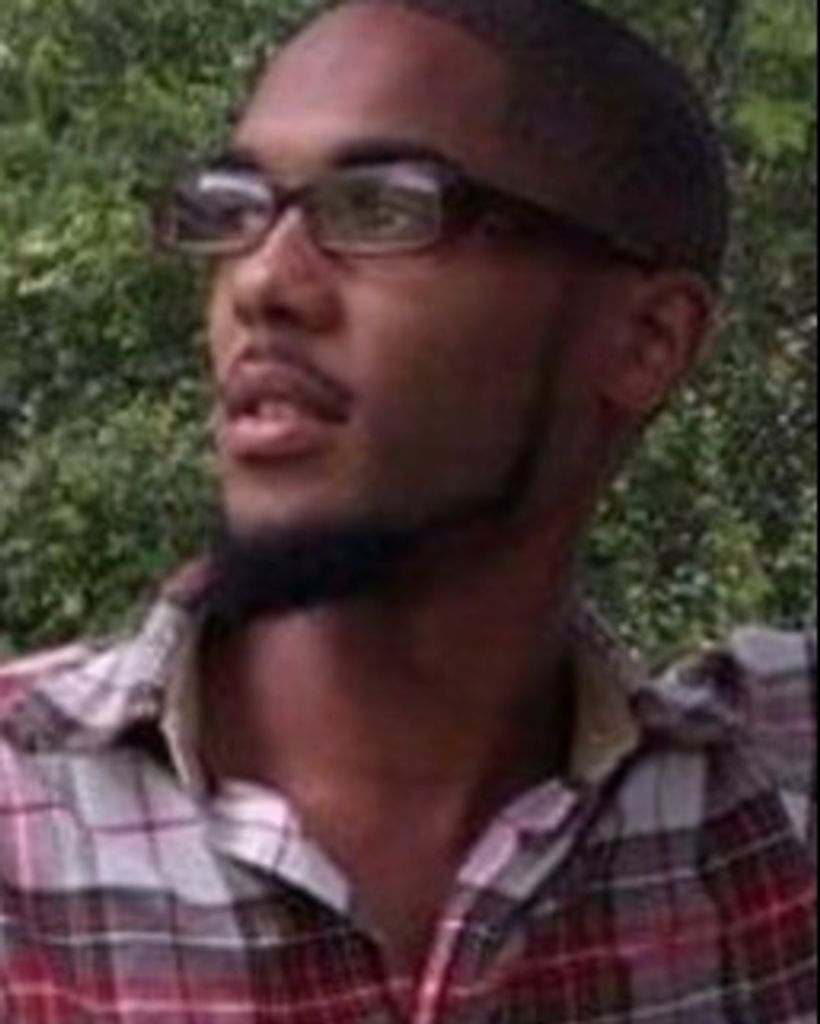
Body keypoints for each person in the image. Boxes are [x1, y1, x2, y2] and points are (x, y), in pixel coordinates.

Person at [0, 0, 815, 1020]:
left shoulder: (767, 808)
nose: (262, 282)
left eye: (381, 210)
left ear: (645, 341)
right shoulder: (24, 830)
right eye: (234, 208)